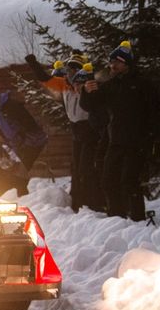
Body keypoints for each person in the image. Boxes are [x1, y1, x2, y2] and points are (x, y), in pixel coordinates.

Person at [80, 41, 160, 221]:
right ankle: (117, 219)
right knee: (108, 181)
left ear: (127, 64)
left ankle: (138, 220)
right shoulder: (111, 85)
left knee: (129, 182)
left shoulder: (143, 84)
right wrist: (86, 91)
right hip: (116, 141)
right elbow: (89, 106)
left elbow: (156, 113)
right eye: (111, 62)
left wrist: (150, 138)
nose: (112, 65)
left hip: (137, 142)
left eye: (117, 62)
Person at [24, 52, 103, 211]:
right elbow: (44, 78)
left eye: (76, 68)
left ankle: (94, 203)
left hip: (91, 130)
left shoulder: (89, 85)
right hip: (76, 131)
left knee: (87, 169)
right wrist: (32, 63)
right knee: (76, 168)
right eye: (70, 68)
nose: (72, 72)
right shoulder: (64, 84)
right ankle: (78, 202)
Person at [0, 83, 48, 172]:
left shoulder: (10, 105)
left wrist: (27, 142)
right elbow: (1, 131)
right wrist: (11, 144)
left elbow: (29, 123)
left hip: (30, 143)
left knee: (25, 170)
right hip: (16, 145)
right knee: (20, 170)